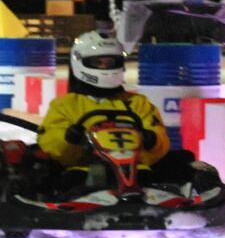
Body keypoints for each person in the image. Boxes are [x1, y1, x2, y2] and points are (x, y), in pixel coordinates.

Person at [36, 30, 193, 185]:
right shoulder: (65, 105)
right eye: (99, 62)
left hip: (136, 172)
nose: (105, 67)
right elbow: (52, 146)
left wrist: (151, 140)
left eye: (110, 62)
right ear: (80, 62)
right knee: (60, 178)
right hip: (84, 172)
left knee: (182, 161)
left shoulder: (137, 103)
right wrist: (69, 139)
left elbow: (159, 140)